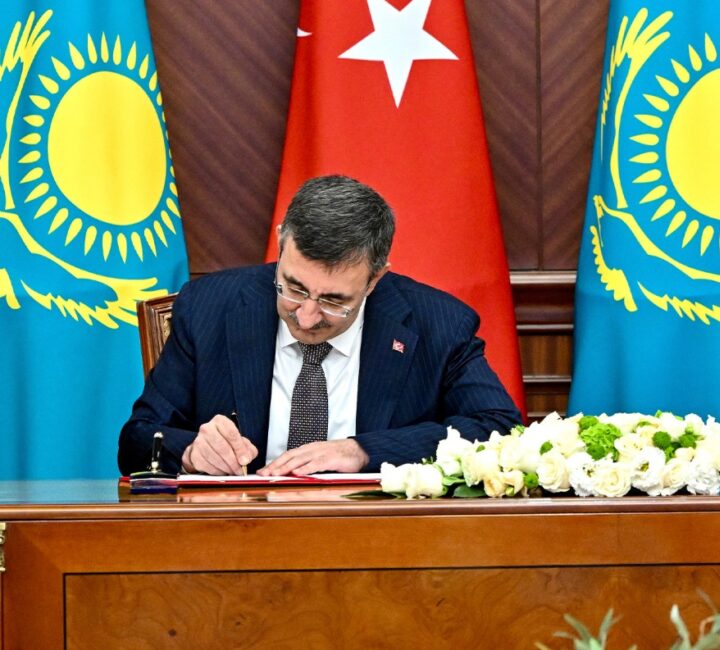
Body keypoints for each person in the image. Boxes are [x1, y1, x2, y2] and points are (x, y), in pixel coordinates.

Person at [119, 175, 521, 476]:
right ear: (281, 243)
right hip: (237, 535)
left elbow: (500, 430)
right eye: (293, 288)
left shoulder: (437, 324)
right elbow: (137, 438)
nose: (306, 316)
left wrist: (363, 451)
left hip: (381, 542)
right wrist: (192, 452)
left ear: (375, 279)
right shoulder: (210, 307)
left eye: (334, 300)